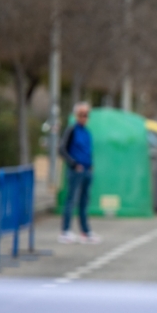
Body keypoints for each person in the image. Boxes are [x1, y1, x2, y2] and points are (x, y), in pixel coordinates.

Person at [59, 102, 101, 245]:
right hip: (75, 171)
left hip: (87, 171)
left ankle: (85, 232)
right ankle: (65, 231)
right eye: (81, 114)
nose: (84, 117)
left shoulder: (87, 132)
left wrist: (90, 166)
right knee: (71, 200)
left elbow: (88, 151)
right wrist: (74, 164)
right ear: (77, 115)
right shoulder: (71, 130)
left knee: (84, 202)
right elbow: (62, 149)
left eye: (86, 115)